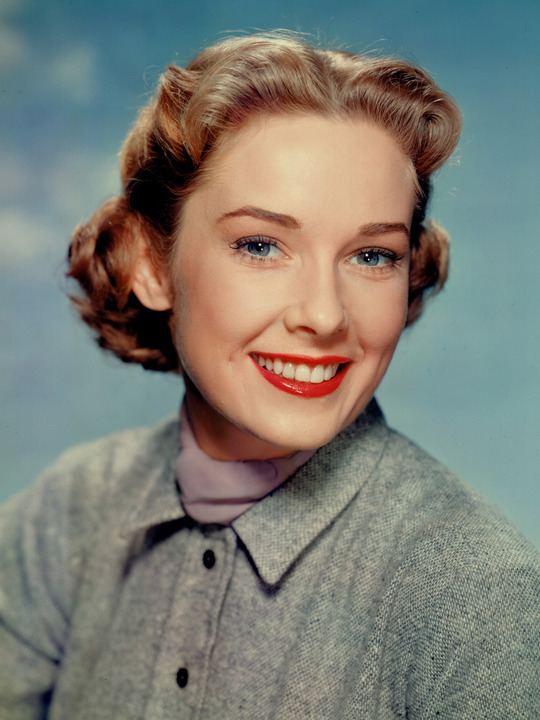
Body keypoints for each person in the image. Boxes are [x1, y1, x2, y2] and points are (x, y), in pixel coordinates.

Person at [1, 32, 538, 720]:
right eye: (261, 245)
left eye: (373, 255)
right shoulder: (67, 513)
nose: (323, 314)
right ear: (150, 263)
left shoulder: (482, 600)